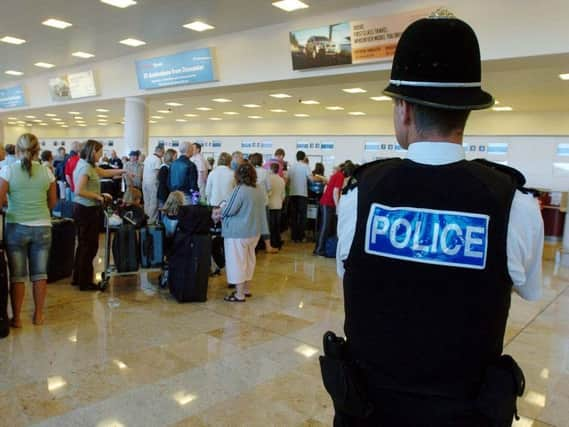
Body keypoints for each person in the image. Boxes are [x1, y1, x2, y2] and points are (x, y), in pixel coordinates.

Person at [332, 12, 544, 426]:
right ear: (467, 111)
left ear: (404, 110)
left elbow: (352, 275)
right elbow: (529, 288)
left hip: (370, 414)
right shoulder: (512, 204)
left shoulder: (360, 194)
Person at [0, 134, 57, 327]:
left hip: (16, 226)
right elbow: (53, 202)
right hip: (42, 227)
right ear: (37, 151)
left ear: (16, 150)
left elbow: (0, 200)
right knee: (40, 274)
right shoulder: (47, 172)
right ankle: (38, 315)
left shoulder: (8, 171)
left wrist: (12, 205)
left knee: (17, 276)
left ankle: (16, 318)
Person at [73, 140, 125, 291]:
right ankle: (85, 282)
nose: (101, 155)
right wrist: (98, 197)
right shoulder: (85, 168)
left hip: (84, 209)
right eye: (100, 152)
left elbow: (104, 172)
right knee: (89, 246)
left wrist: (122, 171)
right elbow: (79, 190)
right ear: (93, 152)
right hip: (86, 210)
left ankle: (79, 278)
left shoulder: (88, 166)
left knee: (83, 246)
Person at [215, 163, 268, 302]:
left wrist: (219, 211)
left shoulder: (240, 189)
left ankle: (239, 294)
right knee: (249, 260)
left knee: (236, 261)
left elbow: (229, 210)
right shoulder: (259, 189)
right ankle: (246, 288)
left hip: (238, 232)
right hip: (254, 231)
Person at [287, 150, 322, 242]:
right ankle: (301, 237)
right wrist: (320, 179)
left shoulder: (292, 167)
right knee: (302, 216)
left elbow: (287, 181)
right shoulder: (306, 166)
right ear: (303, 157)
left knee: (293, 216)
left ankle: (293, 237)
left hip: (292, 194)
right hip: (302, 194)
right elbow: (311, 179)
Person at [313, 162, 344, 256]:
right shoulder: (340, 176)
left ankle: (320, 248)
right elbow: (335, 192)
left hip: (326, 203)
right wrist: (337, 207)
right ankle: (319, 250)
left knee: (325, 227)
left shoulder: (336, 175)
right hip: (328, 203)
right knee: (325, 227)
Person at [142, 144, 164, 223]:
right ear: (160, 151)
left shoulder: (148, 157)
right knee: (153, 203)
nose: (163, 155)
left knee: (146, 202)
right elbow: (158, 173)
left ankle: (145, 219)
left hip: (144, 182)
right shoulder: (157, 159)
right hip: (153, 183)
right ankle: (151, 222)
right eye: (163, 152)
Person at [267, 162, 286, 249]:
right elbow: (283, 195)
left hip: (269, 205)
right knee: (277, 225)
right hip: (278, 205)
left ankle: (270, 243)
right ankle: (277, 242)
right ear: (278, 170)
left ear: (270, 169)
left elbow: (267, 192)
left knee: (270, 225)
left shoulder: (268, 179)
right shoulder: (281, 180)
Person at [157, 148, 177, 213]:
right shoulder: (164, 168)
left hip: (166, 192)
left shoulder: (168, 167)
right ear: (171, 157)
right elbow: (164, 182)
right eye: (175, 156)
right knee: (163, 211)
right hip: (164, 193)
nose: (176, 158)